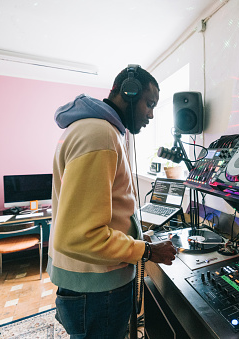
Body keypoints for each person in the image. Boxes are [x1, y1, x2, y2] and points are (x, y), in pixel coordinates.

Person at [47, 65, 177, 339]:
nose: (152, 114)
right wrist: (147, 251)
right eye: (149, 104)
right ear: (128, 93)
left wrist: (138, 235)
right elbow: (80, 237)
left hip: (90, 285)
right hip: (97, 290)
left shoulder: (95, 130)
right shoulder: (100, 135)